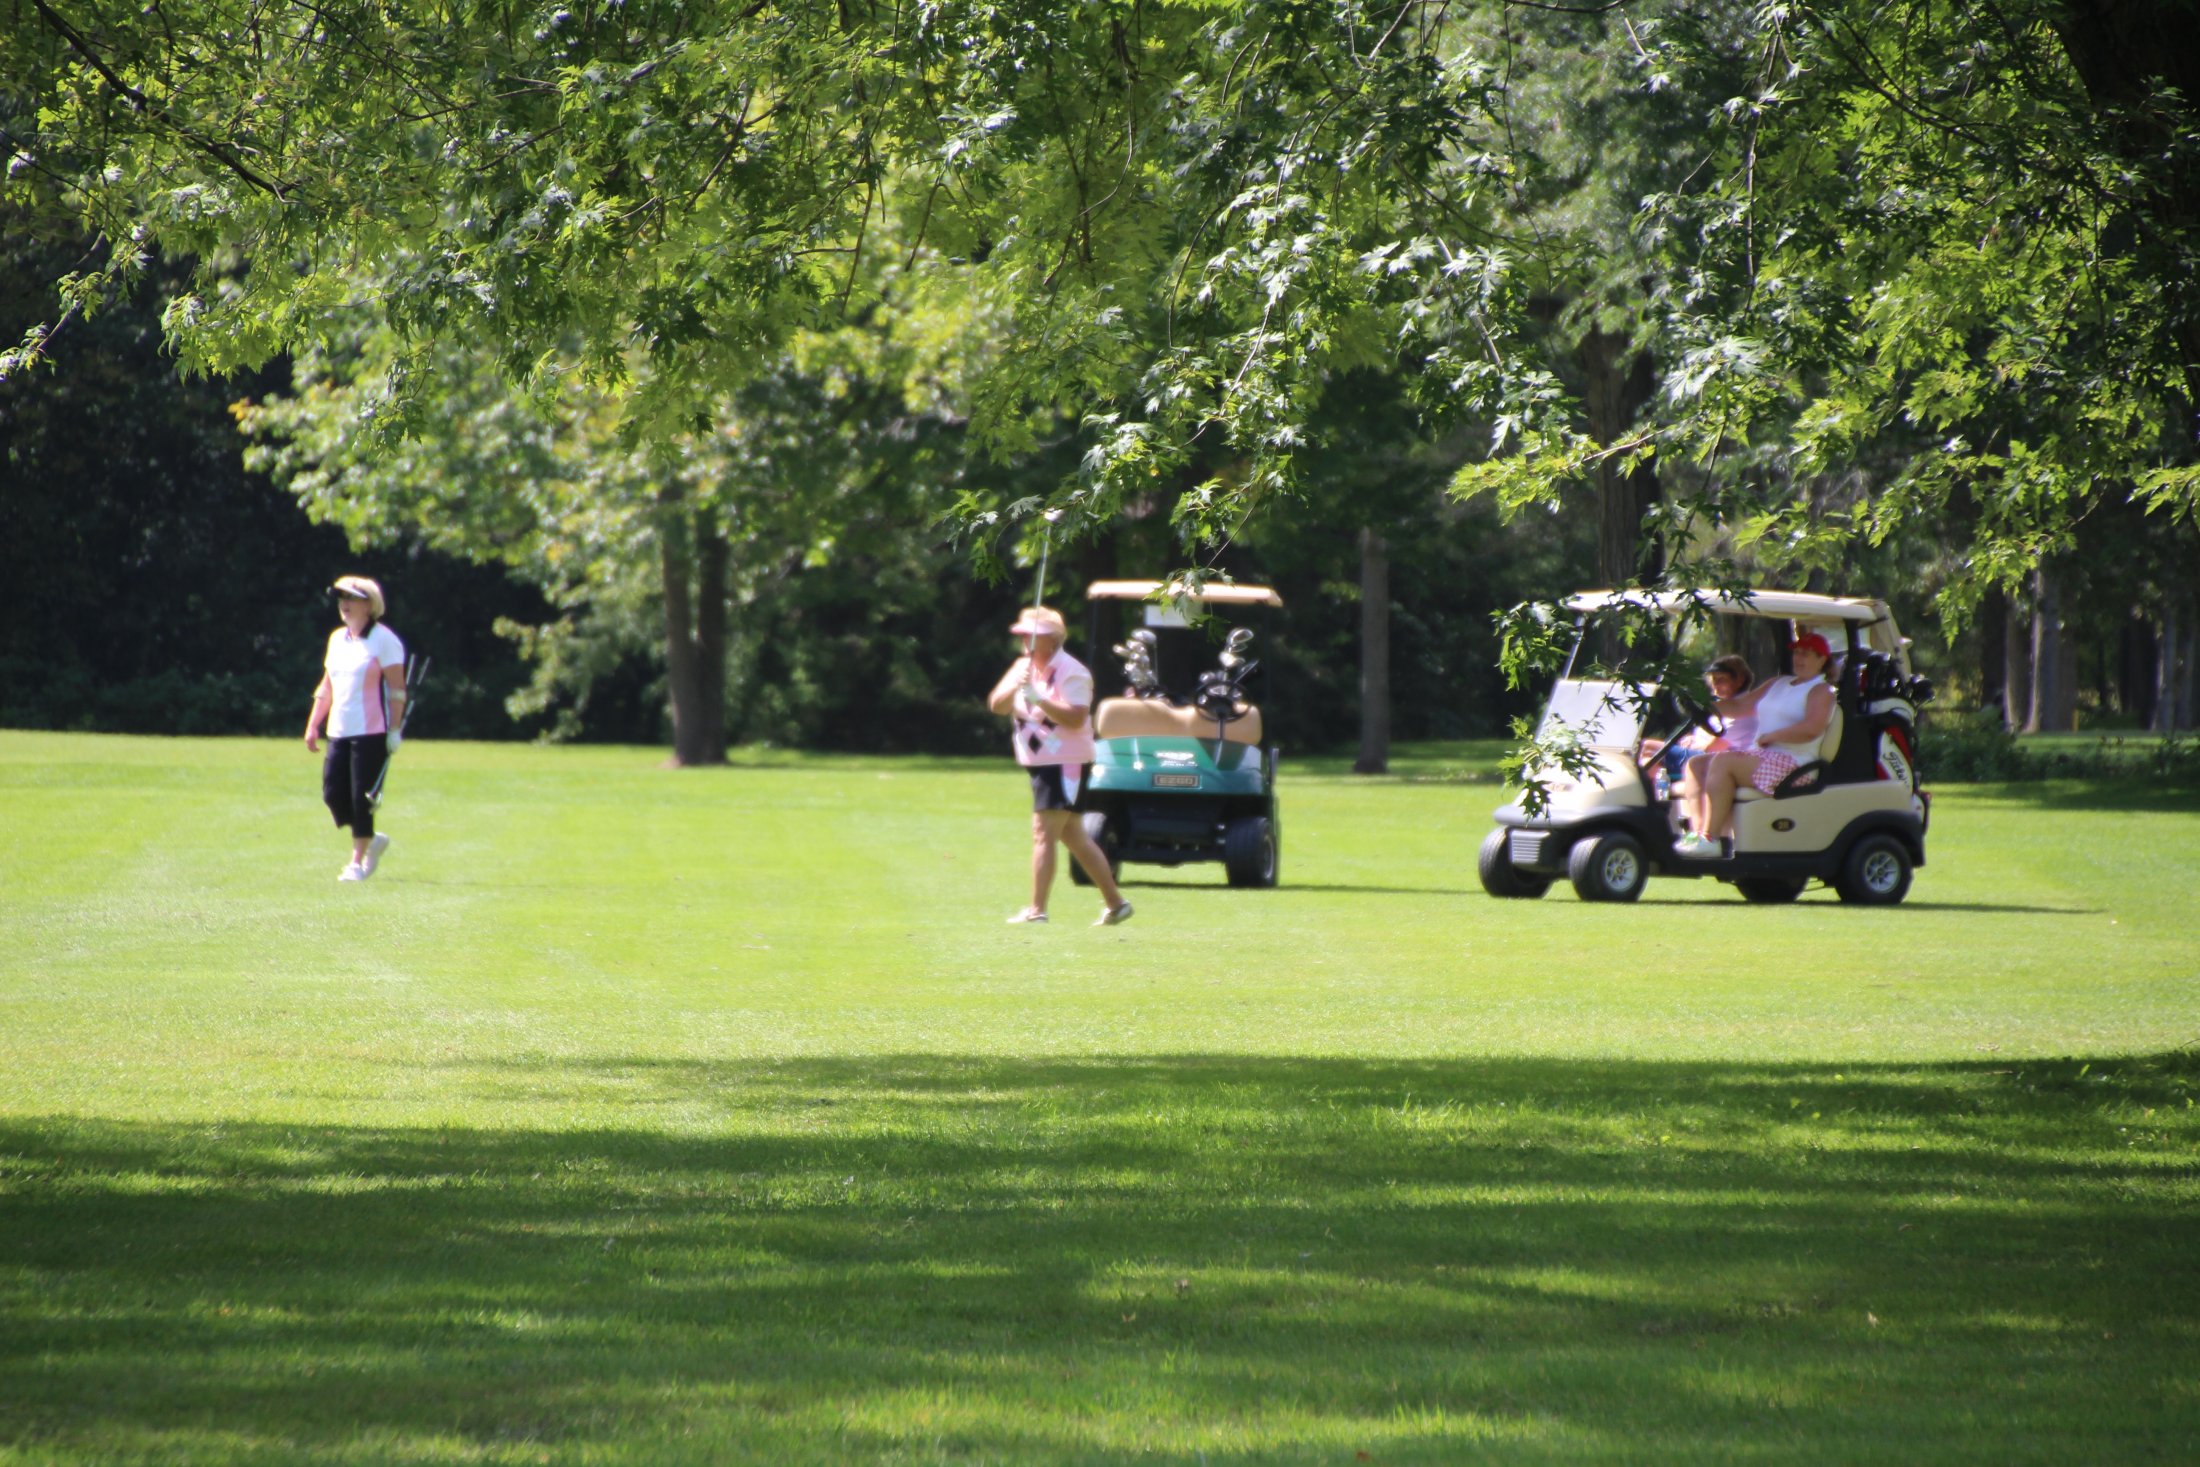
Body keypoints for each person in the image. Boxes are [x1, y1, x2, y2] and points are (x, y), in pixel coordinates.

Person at [987, 606, 1134, 926]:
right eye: (1022, 634)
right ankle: (1116, 904)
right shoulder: (1022, 667)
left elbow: (1075, 717)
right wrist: (1017, 686)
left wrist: (1038, 697)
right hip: (1040, 762)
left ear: (1052, 640)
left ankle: (1037, 910)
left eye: (1033, 635)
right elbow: (997, 705)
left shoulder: (1073, 671)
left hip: (1064, 762)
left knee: (1043, 834)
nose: (1025, 640)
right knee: (1074, 835)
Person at [1678, 632, 1837, 857]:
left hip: (1795, 763)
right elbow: (1740, 707)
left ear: (1822, 659)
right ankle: (1698, 835)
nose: (1799, 659)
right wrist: (1703, 705)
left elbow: (1813, 728)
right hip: (1763, 756)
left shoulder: (1821, 690)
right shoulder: (1779, 683)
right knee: (1696, 765)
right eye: (1797, 653)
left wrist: (1774, 736)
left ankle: (1711, 837)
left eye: (1807, 654)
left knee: (1724, 762)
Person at [304, 576, 408, 882]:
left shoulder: (384, 640)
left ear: (369, 605)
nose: (344, 605)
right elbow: (327, 686)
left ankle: (356, 863)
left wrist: (395, 730)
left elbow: (397, 690)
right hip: (339, 730)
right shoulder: (337, 639)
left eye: (351, 598)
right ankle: (371, 839)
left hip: (372, 733)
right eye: (341, 599)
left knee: (362, 799)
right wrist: (313, 724)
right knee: (333, 794)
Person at [1669, 654, 1756, 829]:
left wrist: (1696, 741)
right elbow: (1703, 736)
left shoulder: (1741, 709)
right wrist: (1696, 739)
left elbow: (1712, 746)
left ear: (1739, 680)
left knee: (1655, 752)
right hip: (1709, 756)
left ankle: (1694, 828)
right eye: (1713, 680)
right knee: (1647, 749)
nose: (1715, 685)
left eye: (1721, 680)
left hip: (1724, 760)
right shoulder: (1723, 706)